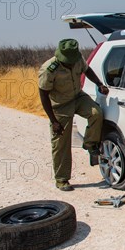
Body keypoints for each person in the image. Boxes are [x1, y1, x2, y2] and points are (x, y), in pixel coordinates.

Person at [38, 39, 109, 191]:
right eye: (68, 62)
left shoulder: (77, 59)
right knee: (61, 143)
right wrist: (53, 120)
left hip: (77, 97)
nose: (71, 64)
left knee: (96, 113)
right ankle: (62, 179)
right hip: (60, 105)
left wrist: (99, 84)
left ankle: (90, 144)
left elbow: (87, 70)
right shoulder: (49, 69)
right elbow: (43, 95)